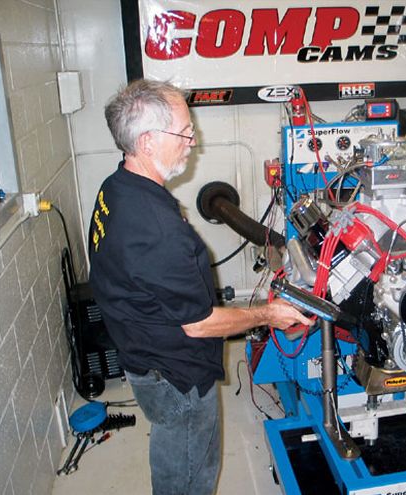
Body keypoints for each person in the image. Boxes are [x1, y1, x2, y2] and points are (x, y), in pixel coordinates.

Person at [88, 79, 312, 495]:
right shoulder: (157, 231)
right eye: (185, 132)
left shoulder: (116, 188)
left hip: (142, 357)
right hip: (175, 376)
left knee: (174, 452)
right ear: (148, 141)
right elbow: (200, 323)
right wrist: (268, 314)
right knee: (189, 473)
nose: (193, 141)